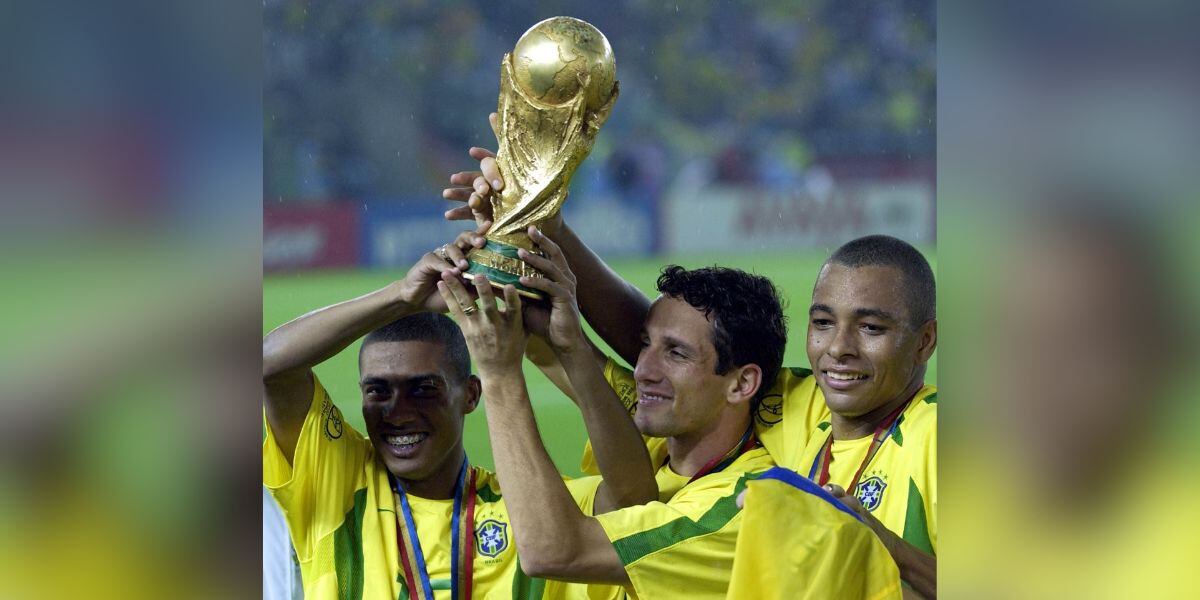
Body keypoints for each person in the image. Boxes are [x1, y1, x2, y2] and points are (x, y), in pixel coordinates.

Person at [445, 135, 937, 598]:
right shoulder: (800, 402)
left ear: (925, 341)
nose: (839, 349)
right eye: (824, 323)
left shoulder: (939, 432)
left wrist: (881, 543)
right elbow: (684, 338)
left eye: (872, 329)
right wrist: (543, 228)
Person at [262, 226, 656, 600]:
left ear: (469, 395)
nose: (398, 413)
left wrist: (572, 351)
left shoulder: (534, 512)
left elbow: (634, 496)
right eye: (378, 391)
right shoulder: (339, 483)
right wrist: (403, 296)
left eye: (423, 390)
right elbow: (270, 364)